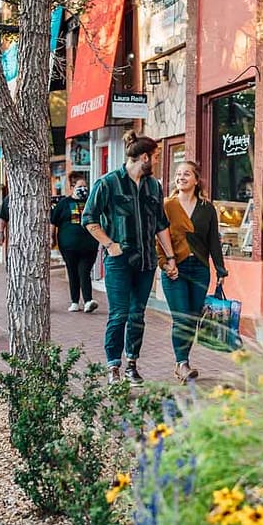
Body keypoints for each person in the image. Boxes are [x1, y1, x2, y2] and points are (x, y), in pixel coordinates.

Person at [82, 131, 177, 385]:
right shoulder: (108, 183)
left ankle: (131, 365)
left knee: (137, 315)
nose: (155, 162)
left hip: (146, 262)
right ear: (143, 157)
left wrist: (170, 257)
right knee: (119, 314)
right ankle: (113, 365)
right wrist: (109, 244)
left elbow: (161, 224)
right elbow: (88, 218)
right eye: (154, 158)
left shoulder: (153, 186)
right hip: (119, 262)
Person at [157, 160, 227, 383]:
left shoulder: (207, 208)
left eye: (186, 174)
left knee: (193, 317)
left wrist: (220, 269)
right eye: (178, 174)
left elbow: (213, 241)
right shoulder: (167, 206)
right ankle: (182, 363)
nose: (181, 177)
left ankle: (182, 362)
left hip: (199, 269)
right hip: (174, 269)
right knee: (181, 317)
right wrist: (165, 263)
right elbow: (157, 237)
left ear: (196, 180)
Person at [50, 173, 99, 314]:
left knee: (84, 271)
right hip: (68, 247)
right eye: (80, 186)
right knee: (72, 272)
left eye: (85, 186)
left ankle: (88, 300)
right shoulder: (63, 204)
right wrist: (51, 238)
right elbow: (53, 222)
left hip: (89, 245)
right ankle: (75, 301)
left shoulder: (91, 202)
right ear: (72, 187)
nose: (83, 189)